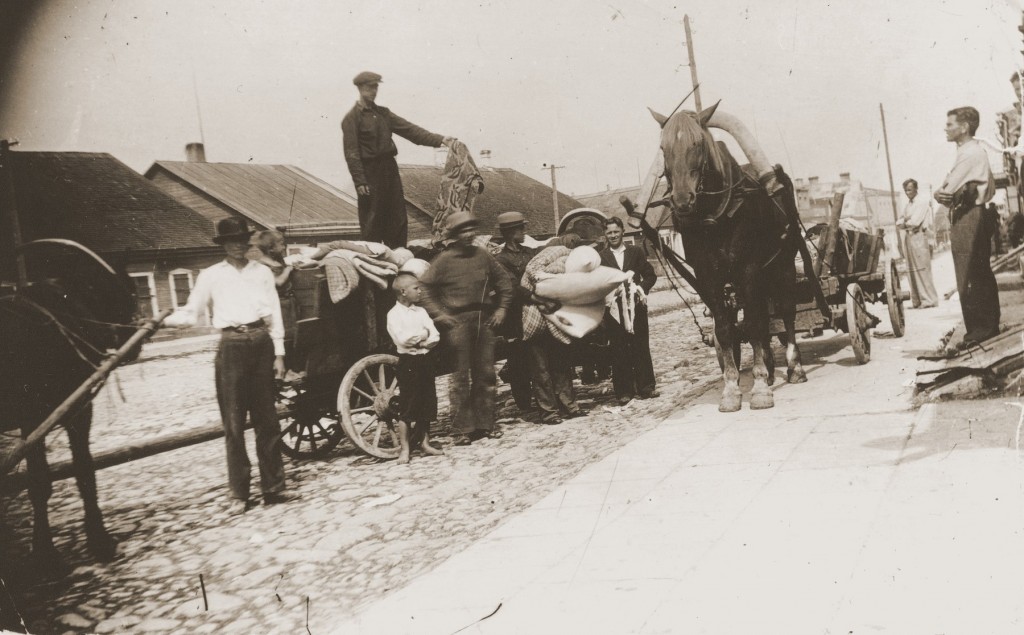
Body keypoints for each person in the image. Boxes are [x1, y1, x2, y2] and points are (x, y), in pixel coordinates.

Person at [164, 217, 294, 514]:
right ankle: (239, 494)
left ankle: (274, 488)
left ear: (248, 243)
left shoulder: (261, 273)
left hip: (261, 341)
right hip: (231, 346)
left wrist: (279, 354)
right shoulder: (210, 276)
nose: (237, 245)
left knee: (268, 421)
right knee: (234, 425)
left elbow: (274, 313)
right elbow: (192, 313)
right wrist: (160, 321)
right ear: (223, 245)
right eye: (230, 241)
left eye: (242, 240)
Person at [420, 212, 513, 446]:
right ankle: (462, 429)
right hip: (457, 323)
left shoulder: (483, 256)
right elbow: (424, 289)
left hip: (484, 319)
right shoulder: (443, 261)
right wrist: (439, 314)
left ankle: (486, 424)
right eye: (463, 230)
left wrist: (501, 309)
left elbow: (504, 283)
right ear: (454, 235)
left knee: (486, 374)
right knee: (460, 377)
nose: (469, 234)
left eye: (472, 229)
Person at [341, 71, 454, 248]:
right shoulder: (351, 119)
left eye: (376, 87)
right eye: (370, 87)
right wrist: (360, 180)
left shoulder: (384, 114)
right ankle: (375, 260)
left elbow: (410, 130)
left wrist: (440, 140)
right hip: (370, 174)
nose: (374, 91)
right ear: (360, 88)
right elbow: (351, 152)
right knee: (373, 220)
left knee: (397, 218)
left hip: (389, 170)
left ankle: (399, 257)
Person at [493, 212, 585, 424]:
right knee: (539, 367)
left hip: (549, 313)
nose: (524, 232)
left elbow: (546, 264)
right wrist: (537, 298)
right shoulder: (501, 260)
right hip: (527, 317)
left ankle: (569, 406)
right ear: (509, 233)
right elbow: (511, 287)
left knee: (561, 362)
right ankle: (549, 412)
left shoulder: (530, 252)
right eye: (520, 229)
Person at [934, 106, 1000, 349]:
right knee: (977, 272)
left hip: (969, 215)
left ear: (964, 127)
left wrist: (939, 193)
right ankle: (985, 326)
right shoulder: (971, 151)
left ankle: (981, 329)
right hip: (972, 214)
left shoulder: (970, 153)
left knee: (971, 275)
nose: (946, 128)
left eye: (950, 124)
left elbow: (945, 191)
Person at [599, 217, 658, 405]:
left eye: (616, 231)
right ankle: (624, 391)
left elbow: (650, 275)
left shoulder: (635, 252)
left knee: (640, 345)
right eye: (609, 232)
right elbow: (597, 282)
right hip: (614, 310)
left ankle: (646, 387)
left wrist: (640, 289)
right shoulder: (601, 257)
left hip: (636, 308)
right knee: (618, 349)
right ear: (605, 235)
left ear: (622, 231)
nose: (613, 235)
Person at [387, 272, 444, 464]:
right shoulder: (393, 315)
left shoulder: (421, 312)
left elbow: (435, 336)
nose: (420, 291)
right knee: (408, 406)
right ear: (403, 292)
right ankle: (405, 449)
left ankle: (425, 443)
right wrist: (423, 335)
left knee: (427, 401)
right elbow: (403, 339)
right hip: (408, 363)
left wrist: (421, 338)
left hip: (425, 361)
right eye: (416, 288)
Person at [254, 230, 298, 361]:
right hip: (278, 303)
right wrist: (288, 270)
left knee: (292, 334)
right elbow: (278, 282)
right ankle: (281, 363)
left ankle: (290, 363)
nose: (284, 247)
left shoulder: (277, 260)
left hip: (288, 302)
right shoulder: (263, 264)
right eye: (281, 244)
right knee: (282, 334)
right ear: (271, 248)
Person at [895, 179, 938, 308]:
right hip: (909, 237)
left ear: (916, 189)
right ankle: (917, 300)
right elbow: (899, 221)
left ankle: (929, 300)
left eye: (909, 189)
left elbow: (915, 222)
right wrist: (905, 221)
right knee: (911, 270)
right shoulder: (909, 205)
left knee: (922, 268)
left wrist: (905, 221)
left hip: (919, 236)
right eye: (906, 190)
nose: (908, 193)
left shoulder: (921, 202)